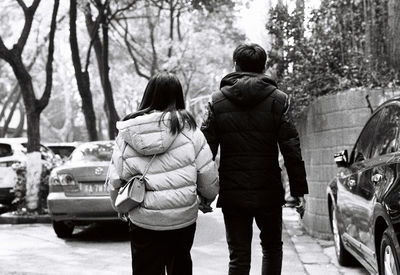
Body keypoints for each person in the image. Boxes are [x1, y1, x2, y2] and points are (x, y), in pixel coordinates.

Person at [201, 43, 308, 275]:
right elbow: (291, 148)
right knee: (271, 249)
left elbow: (205, 151)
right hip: (268, 190)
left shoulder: (216, 101)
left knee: (238, 257)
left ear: (236, 65)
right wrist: (298, 190)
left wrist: (202, 193)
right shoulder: (279, 100)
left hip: (233, 192)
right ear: (264, 67)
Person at [106, 72, 219, 275]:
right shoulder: (190, 130)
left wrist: (119, 204)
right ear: (178, 96)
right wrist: (207, 198)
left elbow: (115, 177)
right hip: (182, 217)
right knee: (180, 267)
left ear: (148, 95)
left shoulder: (127, 132)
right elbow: (207, 175)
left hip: (143, 218)